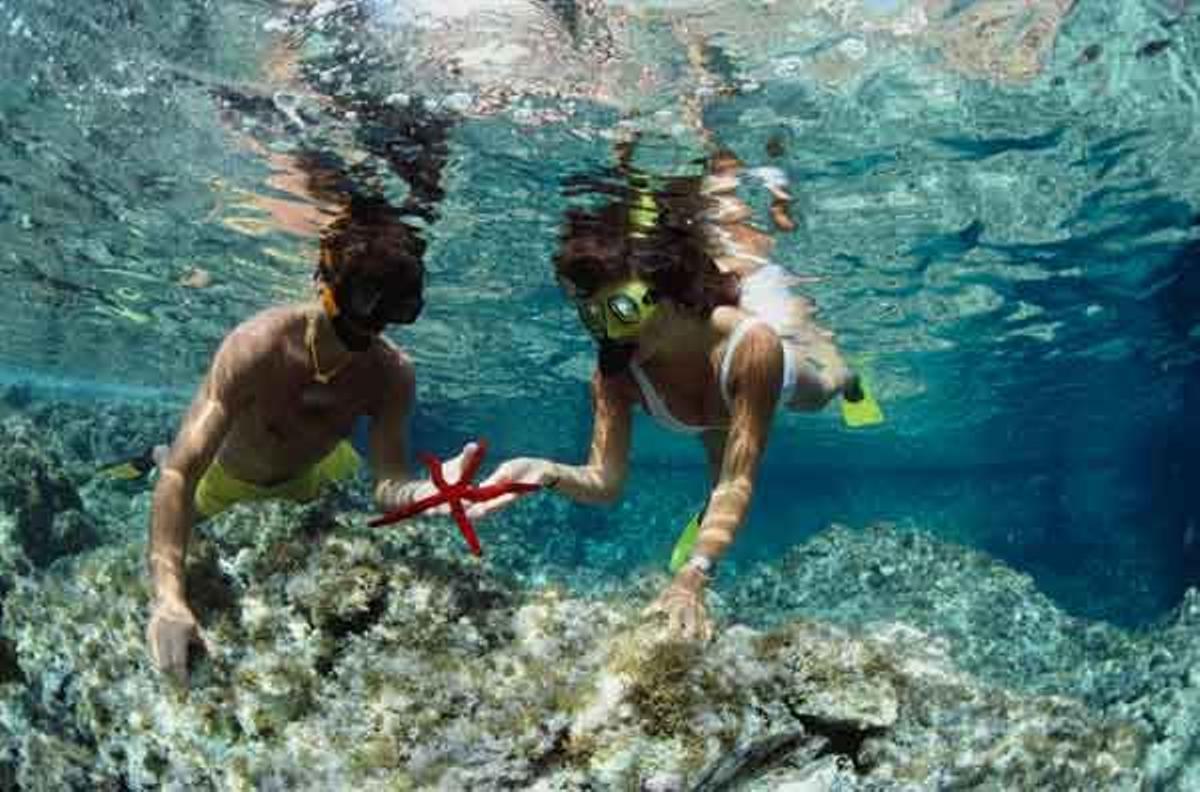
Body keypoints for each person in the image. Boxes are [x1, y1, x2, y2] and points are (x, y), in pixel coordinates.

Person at [471, 142, 881, 642]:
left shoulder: (751, 344)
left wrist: (693, 577)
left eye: (622, 312)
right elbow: (606, 482)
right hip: (709, 408)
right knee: (716, 476)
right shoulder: (615, 373)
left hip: (764, 376)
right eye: (594, 318)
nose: (610, 334)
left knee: (820, 393)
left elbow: (740, 479)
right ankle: (706, 528)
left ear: (665, 294)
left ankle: (843, 366)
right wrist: (545, 473)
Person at [145, 194, 472, 683]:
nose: (377, 320)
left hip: (311, 479)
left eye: (399, 306)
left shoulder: (392, 375)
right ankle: (145, 452)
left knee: (341, 466)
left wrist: (424, 493)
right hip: (226, 481)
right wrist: (168, 598)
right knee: (167, 466)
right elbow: (180, 474)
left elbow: (388, 483)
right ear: (326, 278)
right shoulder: (258, 346)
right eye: (367, 296)